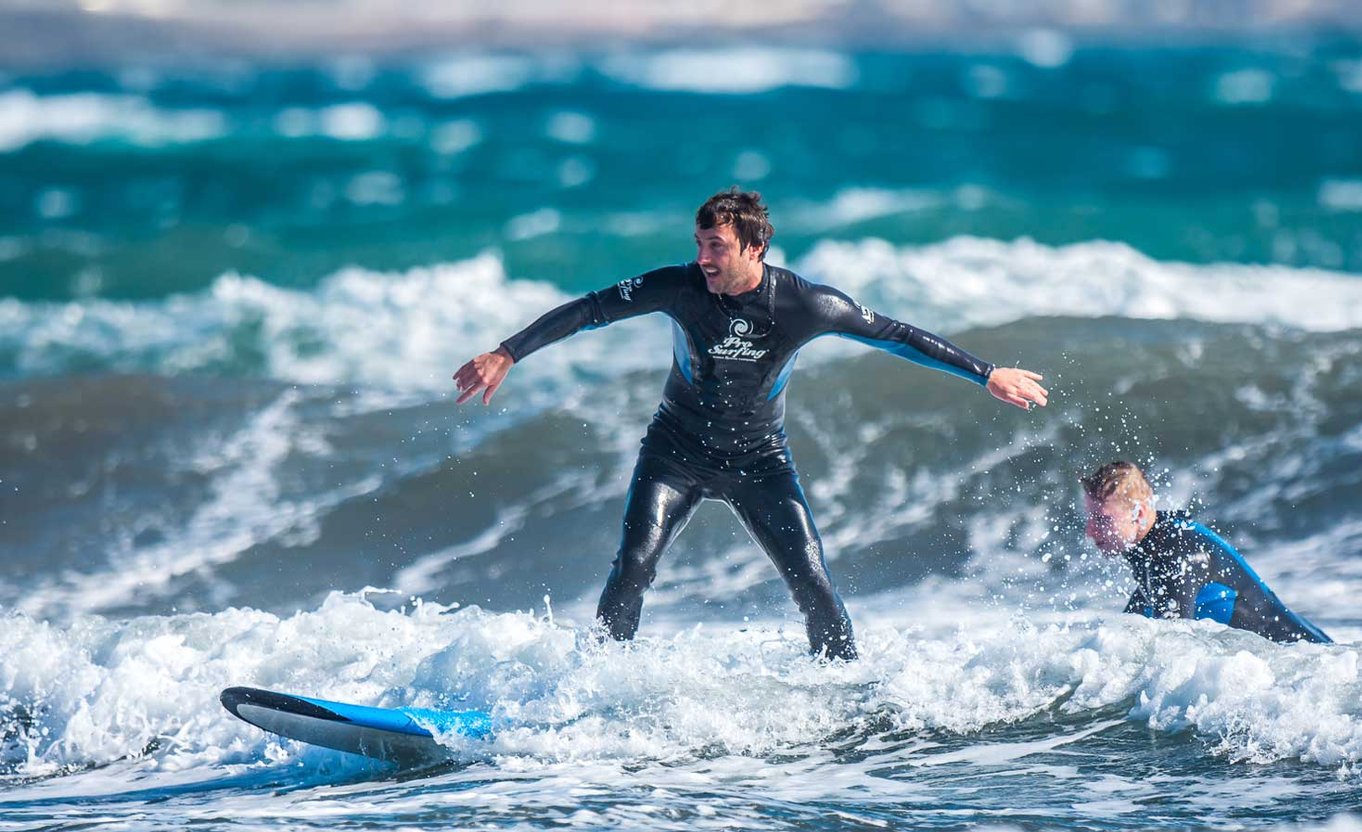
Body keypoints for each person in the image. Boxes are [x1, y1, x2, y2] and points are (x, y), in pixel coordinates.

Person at [453, 188, 1048, 659]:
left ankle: (846, 692)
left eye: (716, 246)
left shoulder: (805, 304)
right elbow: (589, 309)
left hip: (759, 460)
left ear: (753, 249)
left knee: (813, 583)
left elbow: (895, 335)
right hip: (676, 451)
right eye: (699, 244)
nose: (703, 258)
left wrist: (985, 372)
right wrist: (508, 352)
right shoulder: (679, 288)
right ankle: (590, 690)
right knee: (631, 568)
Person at [1081, 461, 1331, 644]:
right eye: (1090, 519)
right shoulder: (1153, 546)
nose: (1091, 531)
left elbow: (1173, 648)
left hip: (1305, 656)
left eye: (1102, 520)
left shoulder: (1176, 557)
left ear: (1140, 514)